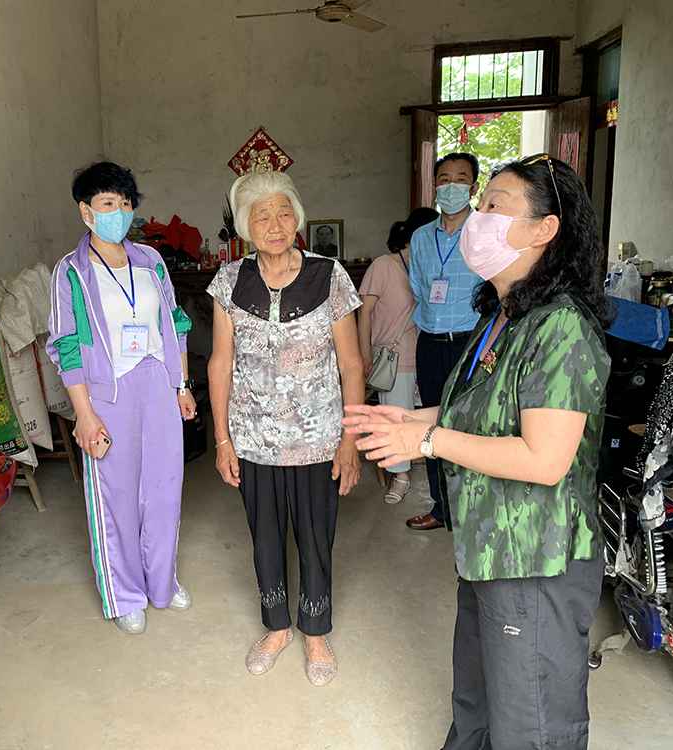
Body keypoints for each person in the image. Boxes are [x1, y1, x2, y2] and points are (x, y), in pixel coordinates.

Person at [345, 155, 612, 749]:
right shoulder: (502, 315)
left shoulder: (560, 327)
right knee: (475, 698)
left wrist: (427, 440)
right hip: (488, 546)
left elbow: (545, 459)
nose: (477, 217)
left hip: (536, 557)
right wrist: (412, 418)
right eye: (480, 203)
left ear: (545, 230)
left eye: (495, 206)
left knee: (530, 719)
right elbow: (476, 413)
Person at [207, 170, 364, 686]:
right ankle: (276, 627)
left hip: (318, 438)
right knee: (265, 537)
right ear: (246, 227)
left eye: (283, 212)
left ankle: (315, 632)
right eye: (262, 216)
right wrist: (223, 440)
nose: (275, 225)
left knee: (316, 537)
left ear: (297, 216)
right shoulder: (229, 282)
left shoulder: (329, 275)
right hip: (253, 438)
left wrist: (350, 441)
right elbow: (220, 363)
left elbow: (351, 365)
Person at [46, 161, 197, 635]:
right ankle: (125, 593)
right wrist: (84, 414)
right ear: (86, 211)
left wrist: (182, 384)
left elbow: (175, 324)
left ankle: (162, 582)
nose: (120, 212)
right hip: (107, 393)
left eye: (126, 203)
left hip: (158, 384)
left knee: (164, 488)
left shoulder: (150, 261)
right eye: (108, 203)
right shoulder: (71, 272)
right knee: (117, 497)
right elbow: (67, 346)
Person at [407, 153, 484, 531]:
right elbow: (418, 287)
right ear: (434, 185)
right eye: (443, 179)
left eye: (460, 178)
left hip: (472, 343)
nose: (451, 186)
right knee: (433, 424)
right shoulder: (421, 237)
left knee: (473, 425)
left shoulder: (485, 232)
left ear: (473, 187)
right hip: (430, 342)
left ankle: (475, 509)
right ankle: (442, 508)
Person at [358, 207, 438, 503]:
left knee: (426, 416)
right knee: (396, 418)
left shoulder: (429, 266)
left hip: (427, 352)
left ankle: (426, 466)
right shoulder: (384, 265)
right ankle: (400, 476)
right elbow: (364, 314)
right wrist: (364, 354)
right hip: (393, 357)